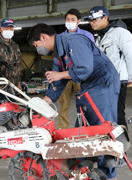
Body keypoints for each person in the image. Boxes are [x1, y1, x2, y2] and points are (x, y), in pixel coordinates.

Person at [27, 23, 120, 179]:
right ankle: (80, 167)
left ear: (43, 37)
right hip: (88, 85)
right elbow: (57, 81)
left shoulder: (74, 40)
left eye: (37, 45)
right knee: (82, 128)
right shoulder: (58, 52)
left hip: (104, 82)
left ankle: (106, 173)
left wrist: (61, 75)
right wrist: (44, 103)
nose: (38, 49)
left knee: (103, 128)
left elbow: (85, 68)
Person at [84, 6, 132, 130]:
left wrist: (131, 77)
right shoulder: (99, 37)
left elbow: (130, 54)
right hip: (104, 82)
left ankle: (121, 147)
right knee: (105, 116)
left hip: (117, 80)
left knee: (117, 115)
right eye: (90, 20)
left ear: (105, 17)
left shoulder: (120, 33)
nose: (92, 23)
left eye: (94, 19)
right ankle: (110, 146)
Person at [57, 8, 94, 129]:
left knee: (85, 105)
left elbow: (93, 56)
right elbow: (57, 59)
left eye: (73, 19)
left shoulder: (87, 36)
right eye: (68, 19)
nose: (70, 22)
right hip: (65, 76)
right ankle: (64, 132)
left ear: (78, 21)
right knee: (63, 107)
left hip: (82, 76)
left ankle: (85, 130)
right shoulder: (60, 38)